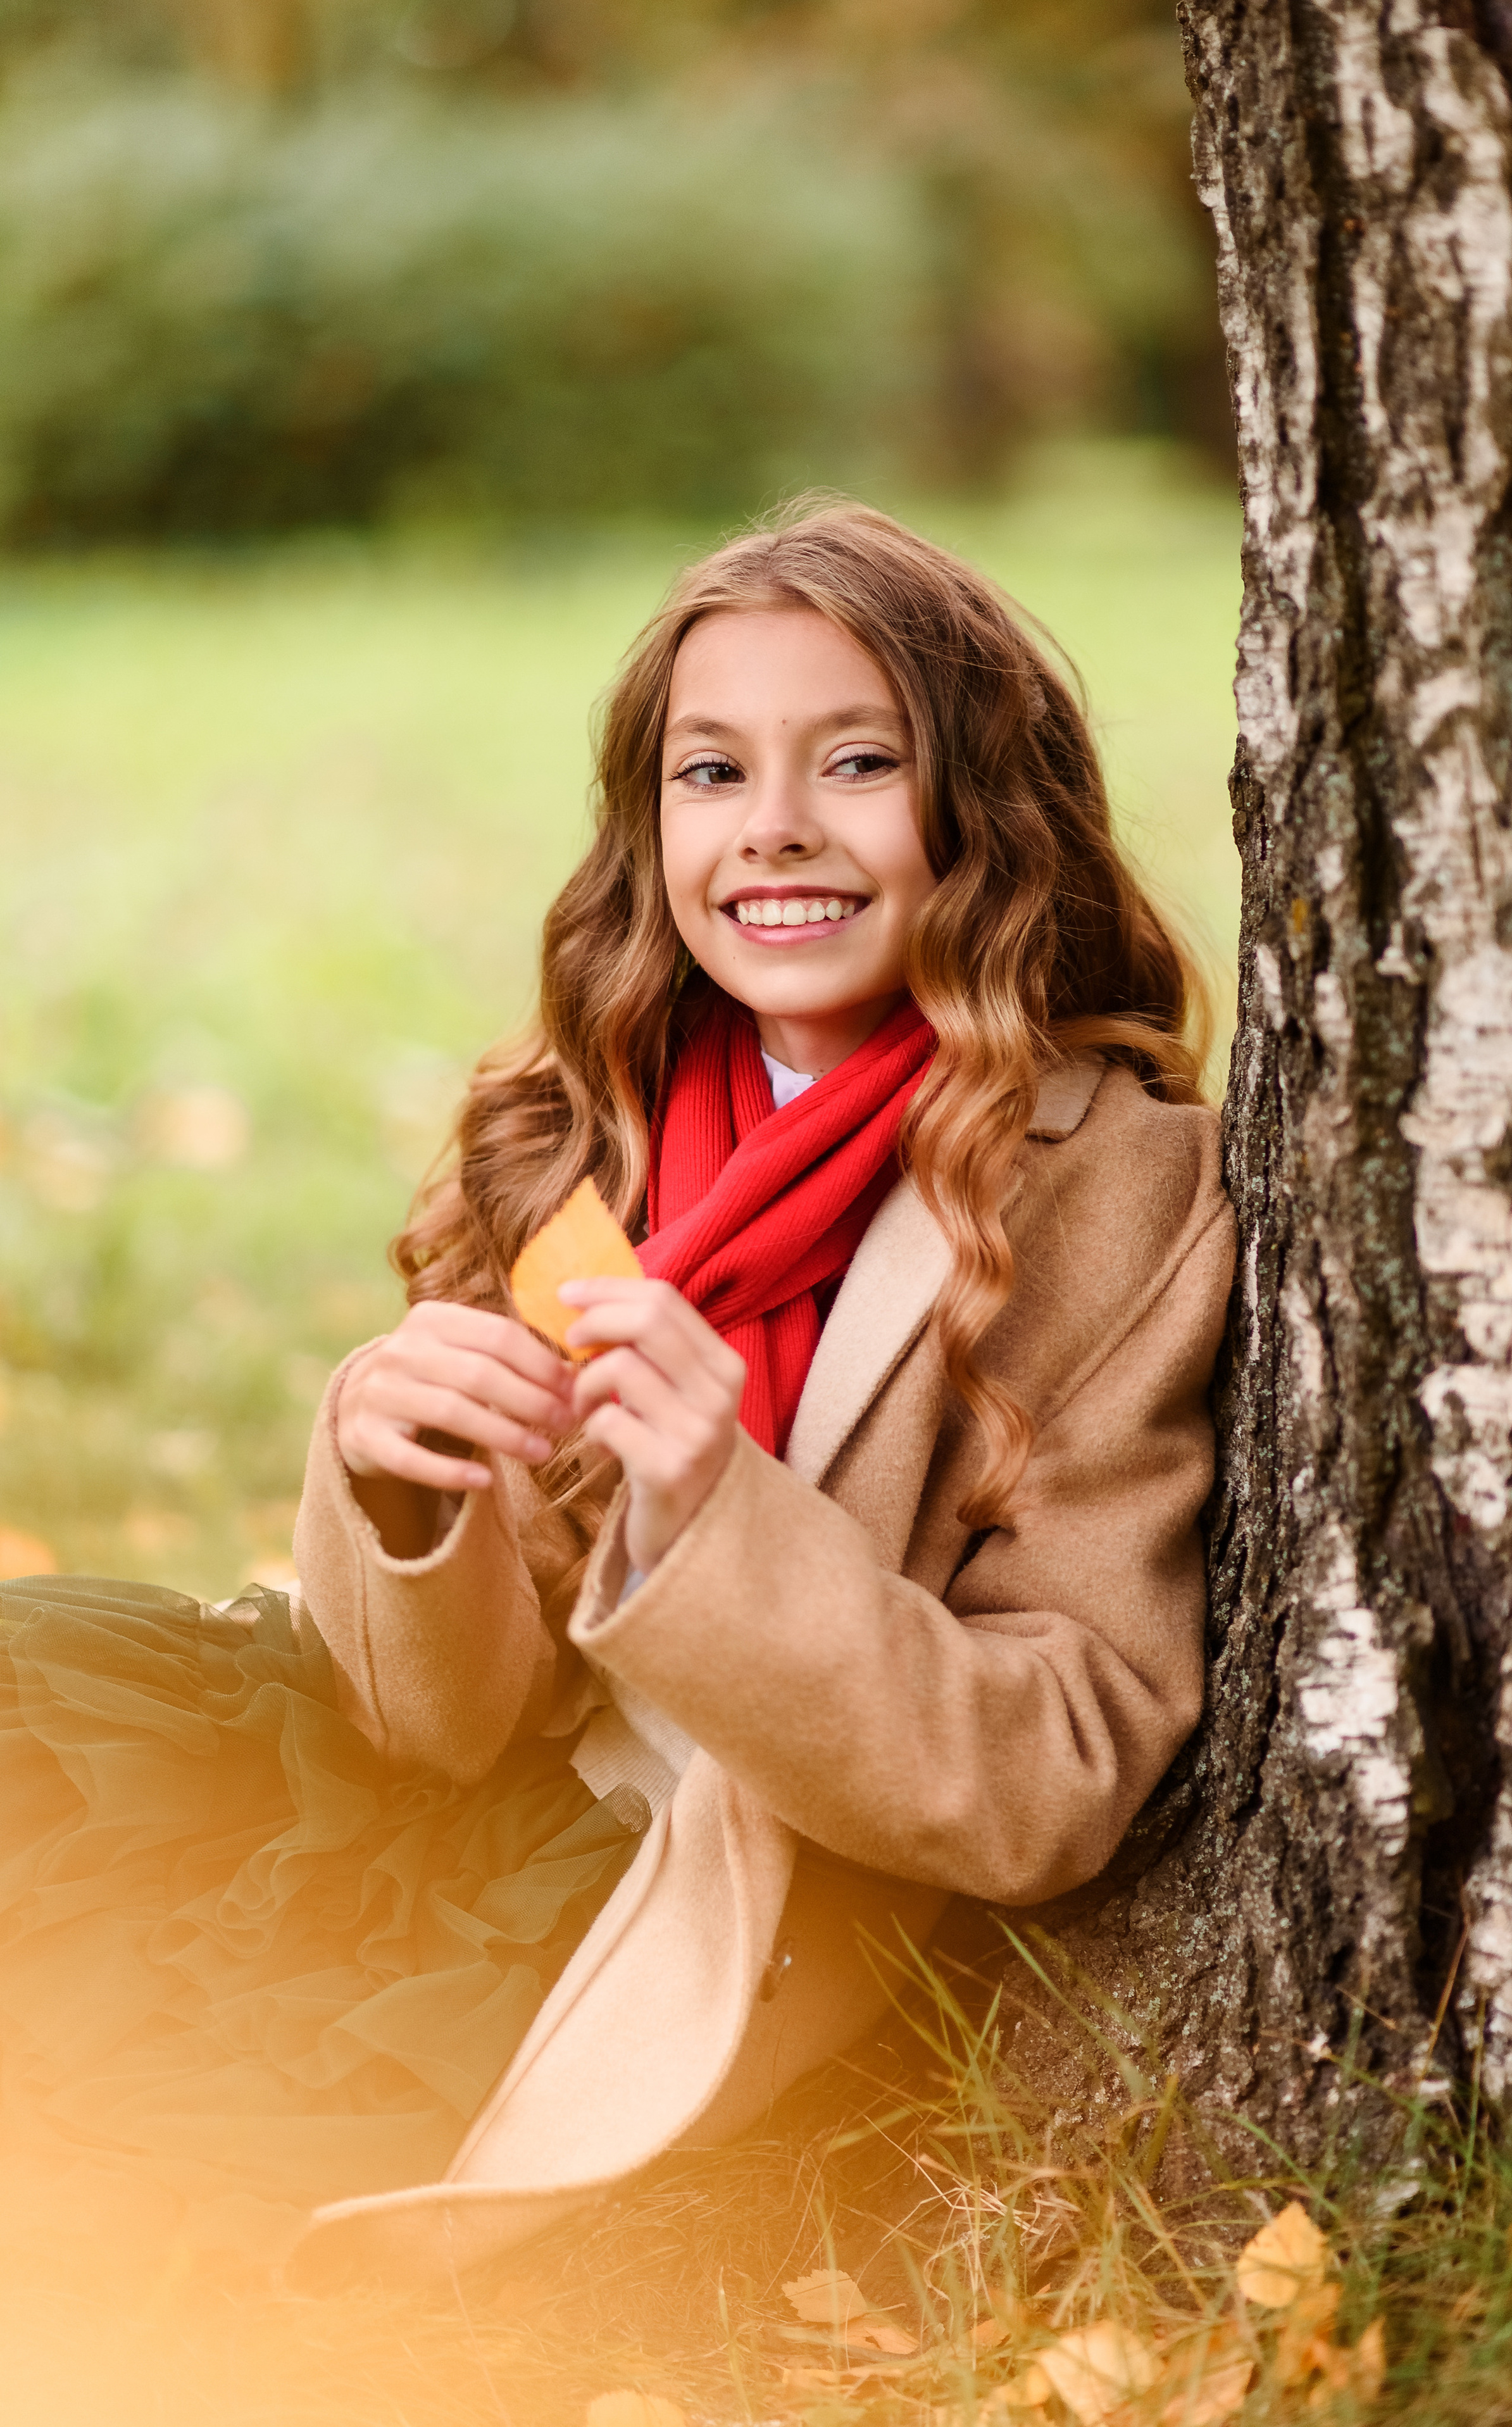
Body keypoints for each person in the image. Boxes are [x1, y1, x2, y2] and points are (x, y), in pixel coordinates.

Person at [0, 501, 1234, 2284]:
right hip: (451, 1791)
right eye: (711, 771)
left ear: (988, 813)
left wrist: (713, 1506)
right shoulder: (590, 1120)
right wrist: (403, 1490)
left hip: (673, 1890)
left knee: (132, 2142)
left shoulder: (1114, 1187)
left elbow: (1050, 1774)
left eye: (860, 761)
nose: (776, 827)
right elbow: (430, 1725)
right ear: (649, 826)